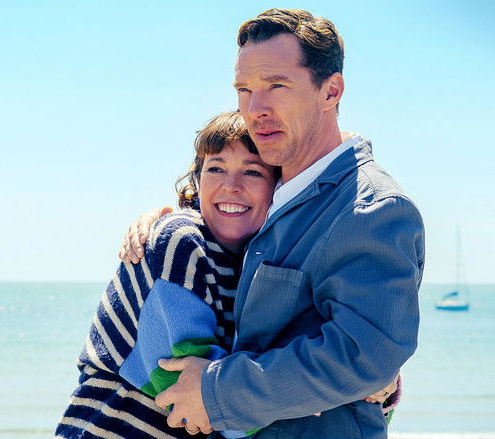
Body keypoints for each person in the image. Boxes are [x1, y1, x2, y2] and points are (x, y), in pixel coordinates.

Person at [119, 8, 424, 439]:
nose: (255, 108)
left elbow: (362, 353)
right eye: (244, 89)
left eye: (277, 85)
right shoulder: (275, 188)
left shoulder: (370, 208)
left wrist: (215, 393)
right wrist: (176, 216)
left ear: (330, 91)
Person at [55, 111, 398, 439]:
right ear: (197, 180)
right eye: (215, 169)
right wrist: (344, 386)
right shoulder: (179, 243)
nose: (230, 186)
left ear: (280, 191)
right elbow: (193, 400)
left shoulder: (257, 264)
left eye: (252, 173)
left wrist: (373, 373)